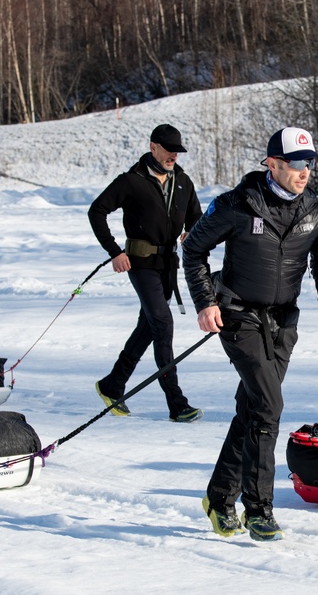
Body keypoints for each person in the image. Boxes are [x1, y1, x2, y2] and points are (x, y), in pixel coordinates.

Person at [182, 126, 318, 541]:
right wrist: (205, 301)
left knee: (253, 410)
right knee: (269, 406)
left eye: (310, 164)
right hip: (237, 315)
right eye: (296, 164)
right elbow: (194, 249)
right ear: (273, 164)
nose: (305, 172)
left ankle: (218, 498)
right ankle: (258, 509)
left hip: (283, 322)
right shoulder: (237, 205)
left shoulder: (316, 211)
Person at [89, 123, 204, 423]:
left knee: (149, 327)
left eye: (177, 152)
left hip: (168, 266)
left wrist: (191, 231)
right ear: (153, 147)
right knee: (163, 325)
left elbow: (196, 217)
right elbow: (96, 211)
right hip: (140, 265)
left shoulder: (183, 182)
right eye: (168, 150)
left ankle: (112, 385)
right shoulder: (131, 181)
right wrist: (115, 252)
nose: (173, 157)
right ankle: (177, 404)